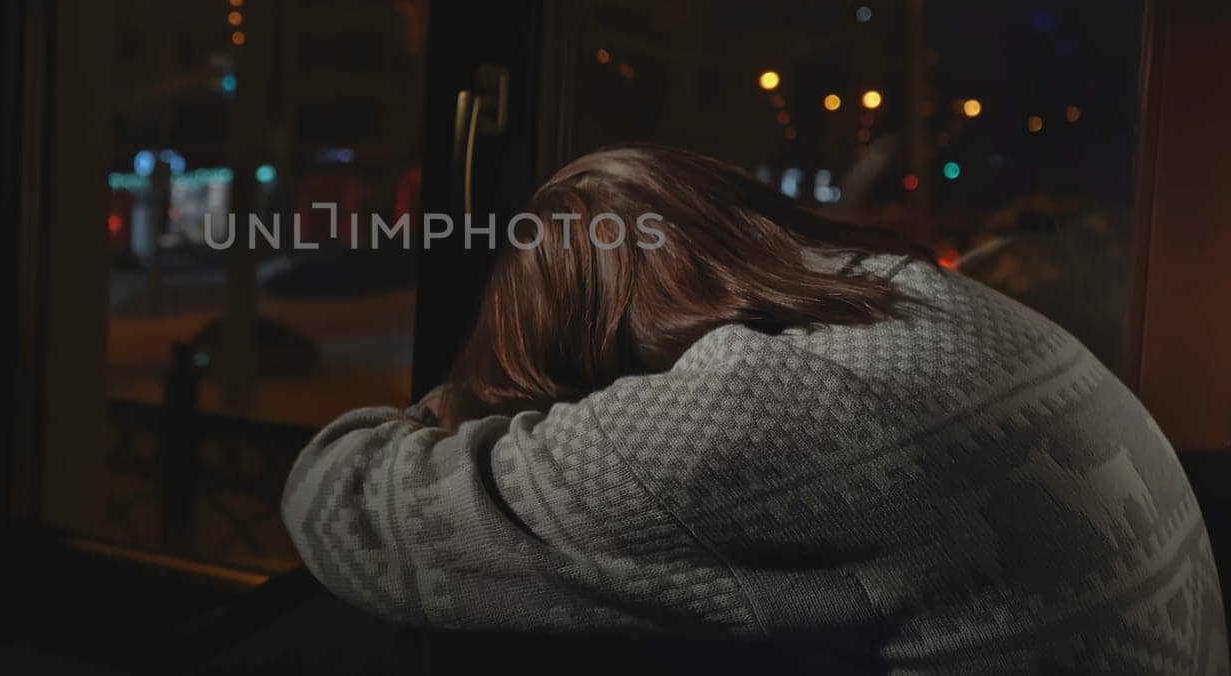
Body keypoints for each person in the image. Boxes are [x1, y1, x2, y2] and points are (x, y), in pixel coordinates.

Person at [279, 144, 1228, 673]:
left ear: (596, 326)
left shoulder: (764, 397)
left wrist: (480, 392)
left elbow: (347, 508)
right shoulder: (921, 298)